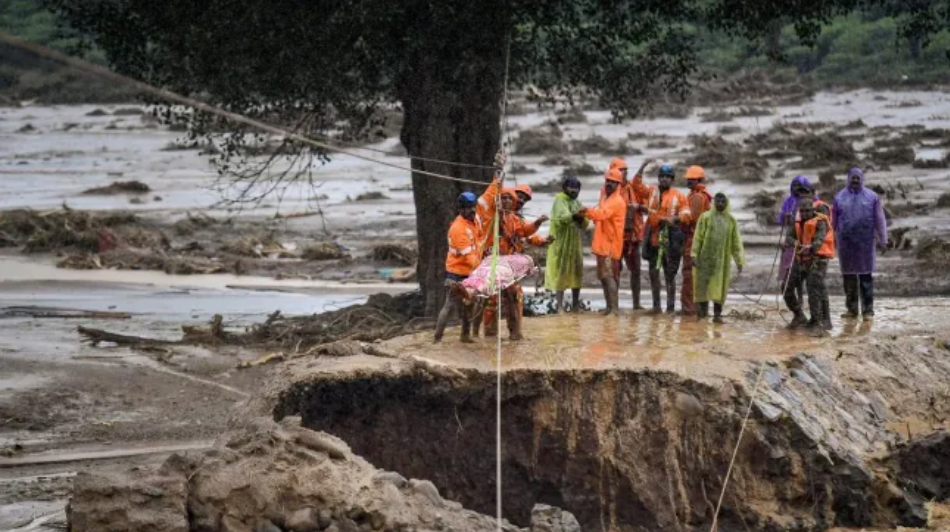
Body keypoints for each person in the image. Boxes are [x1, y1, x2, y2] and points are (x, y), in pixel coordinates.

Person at [434, 152, 504, 343]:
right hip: (457, 272)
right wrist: (484, 270)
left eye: (473, 207)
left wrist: (498, 171)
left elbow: (492, 191)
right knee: (450, 304)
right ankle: (437, 338)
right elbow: (469, 257)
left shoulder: (477, 212)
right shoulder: (458, 229)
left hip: (472, 270)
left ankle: (465, 336)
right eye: (468, 208)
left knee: (470, 304)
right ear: (460, 209)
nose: (472, 211)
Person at [480, 189, 551, 340]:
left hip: (510, 264)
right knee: (492, 299)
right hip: (493, 263)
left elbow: (525, 232)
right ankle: (490, 334)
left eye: (509, 199)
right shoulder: (493, 216)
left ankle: (515, 332)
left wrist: (538, 223)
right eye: (503, 198)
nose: (507, 201)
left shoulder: (515, 219)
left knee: (514, 296)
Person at [628, 162, 691, 314]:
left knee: (670, 274)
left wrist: (674, 219)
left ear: (672, 179)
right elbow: (636, 185)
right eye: (662, 176)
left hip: (670, 239)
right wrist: (642, 167)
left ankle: (670, 308)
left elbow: (687, 214)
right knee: (653, 272)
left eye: (667, 177)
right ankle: (656, 306)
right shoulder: (651, 191)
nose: (664, 179)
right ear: (658, 178)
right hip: (653, 237)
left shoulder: (679, 196)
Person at [833, 167, 887, 320]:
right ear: (848, 178)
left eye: (858, 178)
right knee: (848, 278)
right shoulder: (839, 197)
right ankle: (852, 310)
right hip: (846, 244)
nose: (855, 180)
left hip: (865, 244)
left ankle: (868, 311)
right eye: (853, 178)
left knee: (865, 277)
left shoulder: (872, 197)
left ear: (862, 179)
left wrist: (883, 239)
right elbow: (832, 222)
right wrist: (828, 241)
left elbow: (880, 219)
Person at [691, 193, 745, 323]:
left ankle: (717, 315)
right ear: (714, 202)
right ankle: (702, 315)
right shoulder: (705, 217)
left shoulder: (731, 220)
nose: (720, 204)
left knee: (720, 287)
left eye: (723, 201)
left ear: (727, 203)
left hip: (722, 262)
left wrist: (739, 260)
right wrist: (694, 255)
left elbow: (736, 242)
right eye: (718, 201)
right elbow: (698, 237)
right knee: (702, 286)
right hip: (704, 259)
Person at [580, 168, 627, 315]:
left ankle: (614, 309)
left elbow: (601, 214)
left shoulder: (617, 201)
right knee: (603, 277)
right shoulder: (606, 197)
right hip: (603, 244)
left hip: (611, 245)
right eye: (608, 181)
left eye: (613, 182)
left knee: (609, 277)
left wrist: (586, 211)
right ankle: (609, 307)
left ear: (618, 185)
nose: (609, 184)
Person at [784, 197, 835, 332]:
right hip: (800, 260)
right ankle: (799, 315)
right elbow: (788, 236)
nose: (805, 214)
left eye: (807, 211)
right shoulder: (796, 221)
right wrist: (793, 242)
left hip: (817, 260)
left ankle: (817, 322)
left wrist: (810, 247)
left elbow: (819, 240)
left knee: (814, 289)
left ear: (813, 210)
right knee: (786, 287)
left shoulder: (820, 222)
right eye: (802, 211)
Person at [608, 158, 650, 310]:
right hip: (615, 238)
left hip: (633, 236)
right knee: (614, 271)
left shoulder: (634, 188)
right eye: (621, 170)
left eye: (625, 170)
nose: (624, 173)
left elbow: (648, 208)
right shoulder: (609, 191)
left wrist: (637, 207)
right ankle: (613, 305)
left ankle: (636, 304)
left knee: (636, 271)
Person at [545, 175, 588, 313]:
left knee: (577, 271)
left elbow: (585, 224)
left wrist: (582, 218)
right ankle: (559, 307)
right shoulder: (560, 199)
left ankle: (575, 305)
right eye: (571, 187)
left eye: (577, 188)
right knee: (561, 271)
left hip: (574, 242)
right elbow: (562, 218)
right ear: (565, 188)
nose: (574, 190)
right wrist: (575, 216)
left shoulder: (577, 202)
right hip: (561, 242)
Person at [681, 165, 713, 316]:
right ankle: (698, 309)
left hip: (693, 240)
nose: (688, 181)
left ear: (699, 180)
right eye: (688, 179)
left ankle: (689, 310)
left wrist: (677, 218)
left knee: (689, 275)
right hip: (700, 240)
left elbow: (692, 219)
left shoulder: (697, 197)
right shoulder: (701, 195)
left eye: (692, 179)